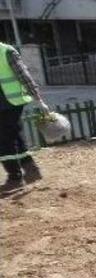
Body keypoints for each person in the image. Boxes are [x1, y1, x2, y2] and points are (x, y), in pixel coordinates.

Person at [1, 41, 47, 194]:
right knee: (14, 133)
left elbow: (24, 75)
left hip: (10, 102)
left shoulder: (6, 51)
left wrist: (38, 99)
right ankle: (30, 167)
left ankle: (14, 177)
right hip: (8, 103)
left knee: (4, 139)